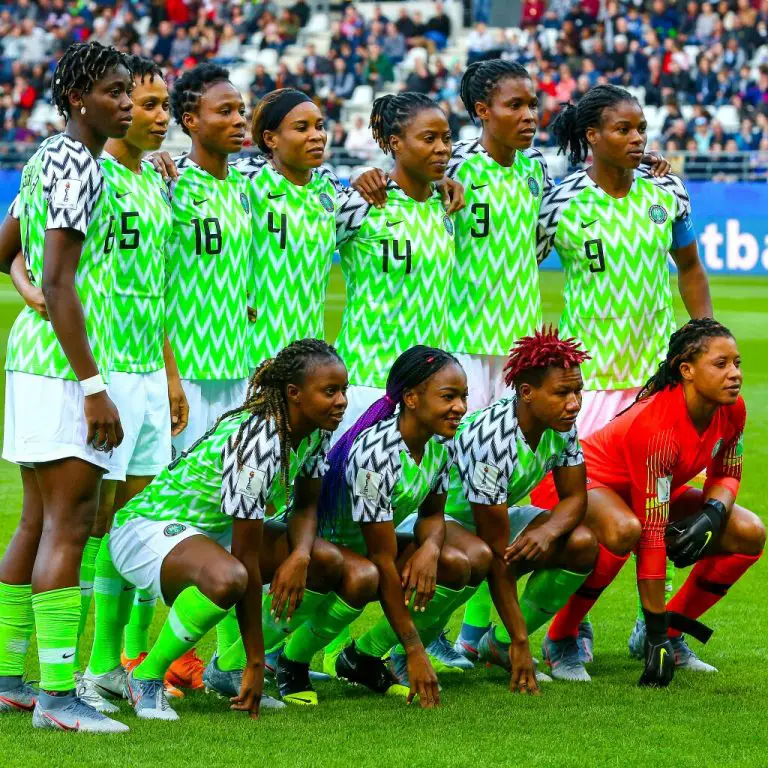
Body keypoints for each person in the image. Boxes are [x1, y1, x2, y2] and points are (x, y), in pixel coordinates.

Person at [537, 84, 713, 657]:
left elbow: (690, 266)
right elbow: (514, 266)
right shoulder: (560, 202)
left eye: (641, 129)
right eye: (624, 129)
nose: (637, 138)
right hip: (588, 389)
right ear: (592, 136)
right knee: (590, 520)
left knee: (658, 512)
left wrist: (705, 335)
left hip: (656, 385)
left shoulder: (666, 191)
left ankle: (654, 629)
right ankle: (570, 630)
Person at [0, 41, 132, 733]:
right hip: (66, 371)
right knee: (70, 524)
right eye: (113, 91)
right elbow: (57, 278)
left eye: (128, 91)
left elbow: (7, 255)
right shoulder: (79, 162)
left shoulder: (46, 156)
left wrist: (31, 294)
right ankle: (56, 697)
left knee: (34, 521)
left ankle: (7, 679)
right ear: (78, 98)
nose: (126, 103)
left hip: (32, 359)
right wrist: (93, 384)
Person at [110, 339, 348, 719]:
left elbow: (305, 506)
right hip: (147, 529)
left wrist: (301, 556)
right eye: (330, 391)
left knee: (325, 561)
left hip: (212, 534)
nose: (342, 401)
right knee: (230, 576)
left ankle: (228, 669)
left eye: (343, 390)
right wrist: (258, 660)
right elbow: (245, 558)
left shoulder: (316, 430)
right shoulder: (259, 442)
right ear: (294, 394)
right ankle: (147, 676)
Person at [533, 320, 765, 685]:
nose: (734, 373)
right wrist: (653, 631)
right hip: (576, 486)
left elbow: (727, 474)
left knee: (749, 532)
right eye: (720, 364)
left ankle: (673, 631)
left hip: (639, 493)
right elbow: (652, 533)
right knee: (625, 528)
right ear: (686, 370)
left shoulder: (732, 409)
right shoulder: (657, 427)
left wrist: (712, 513)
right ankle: (562, 637)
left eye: (736, 363)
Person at [70, 56, 188, 712]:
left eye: (164, 104)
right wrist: (35, 294)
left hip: (147, 370)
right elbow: (28, 252)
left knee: (137, 520)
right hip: (106, 370)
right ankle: (86, 667)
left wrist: (170, 376)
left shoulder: (156, 182)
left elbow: (161, 292)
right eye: (147, 104)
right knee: (93, 521)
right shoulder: (91, 173)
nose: (159, 116)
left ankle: (119, 664)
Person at [318, 346, 484, 708]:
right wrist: (414, 650)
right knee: (365, 575)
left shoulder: (440, 446)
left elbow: (433, 516)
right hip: (326, 550)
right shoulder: (377, 453)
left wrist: (430, 550)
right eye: (448, 397)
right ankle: (287, 661)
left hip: (368, 547)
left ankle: (362, 655)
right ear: (411, 398)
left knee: (457, 564)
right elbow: (382, 557)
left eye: (463, 397)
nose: (460, 407)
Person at [162, 63, 254, 688]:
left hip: (234, 371)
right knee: (175, 513)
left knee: (228, 511)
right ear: (190, 121)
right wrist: (169, 376)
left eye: (241, 110)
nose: (238, 120)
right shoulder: (170, 184)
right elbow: (156, 283)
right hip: (187, 372)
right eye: (225, 111)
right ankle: (145, 655)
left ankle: (221, 659)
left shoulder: (243, 188)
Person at [446, 329, 599, 692]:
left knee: (581, 543)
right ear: (527, 392)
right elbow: (497, 552)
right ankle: (387, 650)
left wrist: (548, 531)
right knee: (482, 558)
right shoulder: (492, 440)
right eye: (562, 393)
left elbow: (576, 498)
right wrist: (522, 642)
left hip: (488, 517)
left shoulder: (561, 424)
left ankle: (497, 643)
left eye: (577, 391)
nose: (574, 403)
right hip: (438, 521)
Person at [333, 93, 456, 437]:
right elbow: (307, 249)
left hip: (429, 385)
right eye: (428, 138)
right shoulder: (364, 203)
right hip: (368, 380)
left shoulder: (446, 203)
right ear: (396, 143)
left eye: (446, 138)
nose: (442, 148)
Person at [234, 89, 343, 372]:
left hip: (310, 356)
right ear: (271, 139)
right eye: (302, 128)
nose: (317, 136)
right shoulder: (246, 178)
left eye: (319, 126)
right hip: (252, 355)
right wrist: (161, 162)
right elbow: (196, 175)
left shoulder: (328, 186)